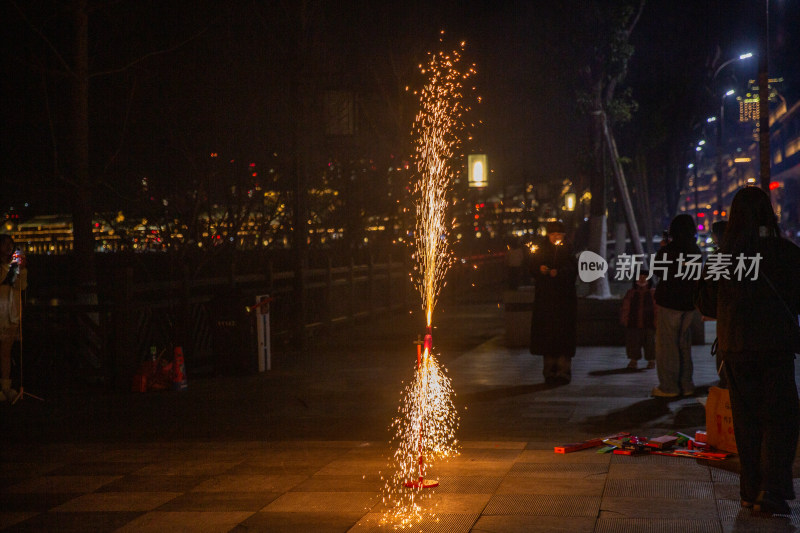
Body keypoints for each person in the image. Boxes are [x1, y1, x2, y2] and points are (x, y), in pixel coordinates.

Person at [696, 186, 800, 515]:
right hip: (776, 348)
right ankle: (773, 490)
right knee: (781, 418)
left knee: (747, 420)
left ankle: (749, 489)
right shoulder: (788, 253)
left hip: (736, 349)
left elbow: (705, 303)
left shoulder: (725, 257)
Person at [652, 214, 701, 398]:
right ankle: (686, 384)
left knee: (667, 345)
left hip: (670, 301)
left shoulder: (669, 250)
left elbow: (658, 270)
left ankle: (669, 386)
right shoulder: (694, 250)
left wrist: (663, 249)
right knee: (683, 344)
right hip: (688, 303)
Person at [529, 220, 577, 385]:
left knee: (563, 337)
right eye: (553, 234)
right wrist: (539, 270)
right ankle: (549, 372)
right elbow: (531, 266)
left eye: (559, 234)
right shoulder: (541, 250)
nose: (556, 237)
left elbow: (573, 270)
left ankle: (564, 371)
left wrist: (560, 272)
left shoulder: (569, 250)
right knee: (547, 337)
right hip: (546, 300)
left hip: (564, 300)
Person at [0, 235, 27, 404]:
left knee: (6, 352)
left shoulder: (14, 265)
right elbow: (5, 282)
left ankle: (6, 386)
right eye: (5, 244)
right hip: (1, 309)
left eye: (11, 244)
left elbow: (21, 285)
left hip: (12, 312)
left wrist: (21, 269)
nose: (9, 247)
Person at [620, 273, 656, 370]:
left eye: (644, 278)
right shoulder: (631, 292)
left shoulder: (653, 293)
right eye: (640, 277)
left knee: (650, 342)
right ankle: (633, 360)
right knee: (633, 342)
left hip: (649, 323)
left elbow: (657, 308)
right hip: (633, 322)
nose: (642, 279)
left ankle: (651, 360)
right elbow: (625, 307)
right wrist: (625, 319)